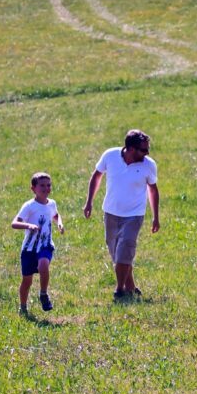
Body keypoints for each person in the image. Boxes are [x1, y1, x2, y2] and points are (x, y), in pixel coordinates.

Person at [84, 129, 160, 301]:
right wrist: (89, 201)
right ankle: (131, 287)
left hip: (134, 215)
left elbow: (153, 190)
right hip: (110, 213)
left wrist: (156, 216)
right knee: (118, 255)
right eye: (143, 150)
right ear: (131, 148)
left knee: (125, 249)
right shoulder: (110, 156)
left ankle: (119, 290)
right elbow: (97, 176)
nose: (147, 153)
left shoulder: (149, 165)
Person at [11, 172, 64, 313]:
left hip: (45, 245)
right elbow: (14, 223)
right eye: (42, 185)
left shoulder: (52, 203)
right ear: (33, 188)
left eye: (48, 185)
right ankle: (23, 307)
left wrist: (59, 223)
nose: (46, 188)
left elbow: (55, 214)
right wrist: (29, 226)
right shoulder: (29, 206)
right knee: (27, 281)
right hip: (29, 249)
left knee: (43, 265)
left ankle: (43, 294)